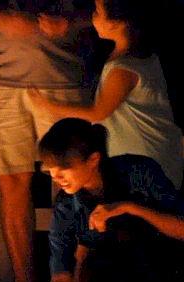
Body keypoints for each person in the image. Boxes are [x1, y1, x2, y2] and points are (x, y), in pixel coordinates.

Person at [0, 0, 96, 282]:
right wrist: (4, 18)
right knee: (11, 184)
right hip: (3, 84)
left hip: (63, 78)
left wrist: (70, 22)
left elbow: (108, 12)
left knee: (75, 185)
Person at [32, 119, 184, 282]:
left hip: (167, 260)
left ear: (93, 160)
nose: (56, 177)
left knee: (130, 231)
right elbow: (61, 275)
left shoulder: (138, 171)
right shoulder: (67, 206)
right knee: (92, 263)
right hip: (120, 266)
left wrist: (130, 208)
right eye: (50, 170)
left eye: (64, 167)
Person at [28, 0, 183, 188]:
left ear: (117, 22)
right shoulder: (136, 58)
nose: (93, 17)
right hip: (146, 152)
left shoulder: (124, 68)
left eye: (98, 12)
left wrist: (49, 106)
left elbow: (99, 113)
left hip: (146, 154)